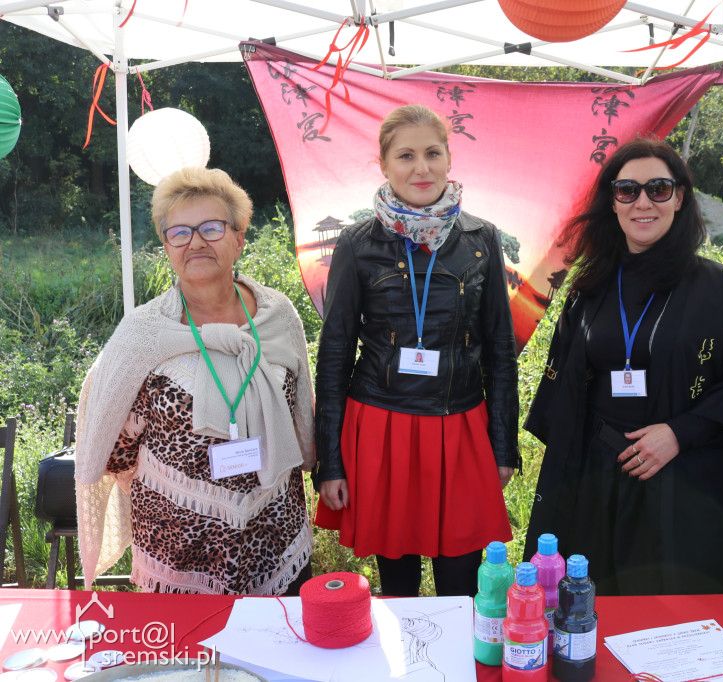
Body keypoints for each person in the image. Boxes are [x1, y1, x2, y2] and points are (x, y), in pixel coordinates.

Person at [524, 137, 723, 596]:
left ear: (679, 198)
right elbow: (567, 390)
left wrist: (679, 433)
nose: (643, 202)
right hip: (599, 476)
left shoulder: (714, 287)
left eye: (658, 188)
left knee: (679, 621)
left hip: (688, 478)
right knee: (595, 611)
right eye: (627, 190)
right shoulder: (590, 287)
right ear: (612, 203)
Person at [75, 167, 315, 594]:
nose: (197, 242)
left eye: (212, 227)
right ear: (166, 246)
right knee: (185, 659)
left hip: (275, 532)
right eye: (179, 232)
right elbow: (114, 444)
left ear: (239, 238)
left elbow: (300, 411)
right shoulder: (142, 334)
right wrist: (184, 486)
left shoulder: (277, 315)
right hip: (178, 546)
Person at [314, 104, 518, 598]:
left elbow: (500, 351)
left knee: (461, 583)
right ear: (384, 165)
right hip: (383, 426)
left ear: (449, 159)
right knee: (398, 586)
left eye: (432, 153)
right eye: (405, 155)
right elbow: (336, 351)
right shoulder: (358, 243)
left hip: (462, 425)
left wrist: (503, 445)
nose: (420, 168)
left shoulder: (481, 239)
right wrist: (331, 461)